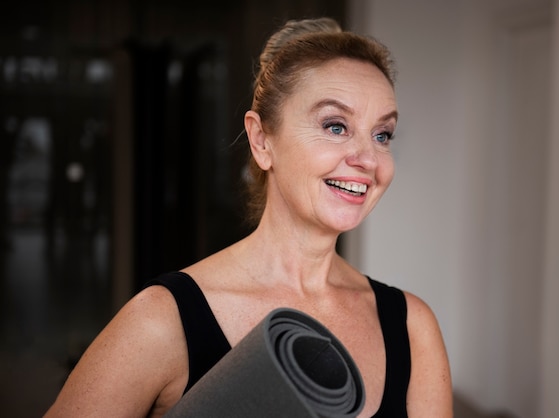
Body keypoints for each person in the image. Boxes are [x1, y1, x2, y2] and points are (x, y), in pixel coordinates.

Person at [44, 17, 452, 417]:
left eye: (382, 135)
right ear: (261, 141)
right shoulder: (162, 321)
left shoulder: (412, 327)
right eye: (335, 126)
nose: (367, 159)